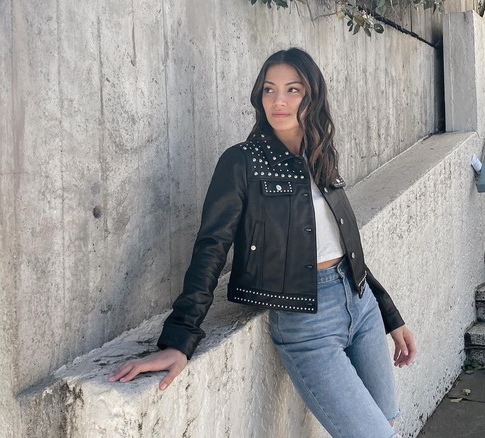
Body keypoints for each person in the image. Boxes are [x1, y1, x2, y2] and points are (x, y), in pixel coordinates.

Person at [109, 47, 417, 438]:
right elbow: (211, 247)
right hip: (307, 323)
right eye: (269, 90)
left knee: (385, 420)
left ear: (313, 96)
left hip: (361, 305)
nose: (279, 101)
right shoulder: (242, 162)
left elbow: (341, 246)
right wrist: (179, 340)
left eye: (293, 90)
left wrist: (389, 312)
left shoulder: (320, 154)